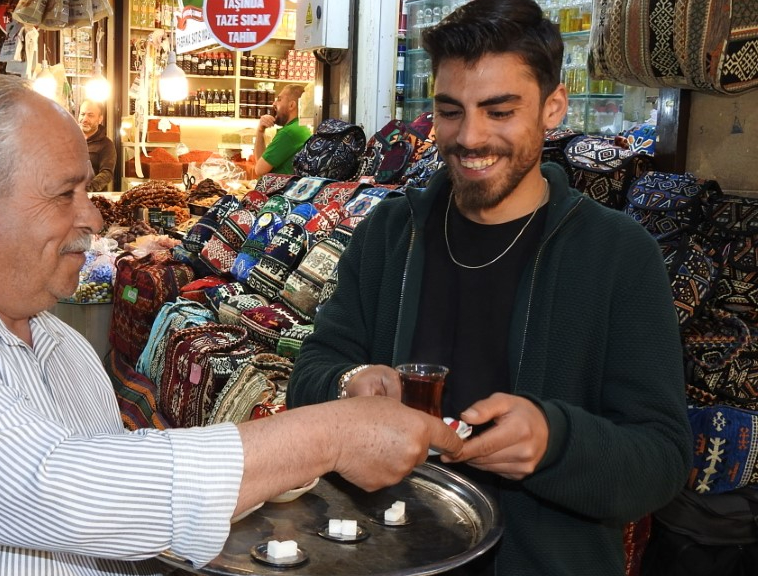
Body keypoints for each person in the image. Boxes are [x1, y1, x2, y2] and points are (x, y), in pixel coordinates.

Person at [0, 77, 465, 575]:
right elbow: (66, 492)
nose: (92, 218)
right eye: (66, 193)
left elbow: (120, 519)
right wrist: (327, 435)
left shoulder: (58, 344)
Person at [287, 1, 692, 575]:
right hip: (379, 557)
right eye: (450, 111)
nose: (470, 137)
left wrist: (554, 442)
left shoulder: (618, 255)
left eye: (499, 111)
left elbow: (661, 460)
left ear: (553, 108)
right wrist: (349, 383)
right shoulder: (390, 232)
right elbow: (311, 375)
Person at [253, 84, 310, 177]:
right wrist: (260, 131)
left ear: (291, 105)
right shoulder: (301, 127)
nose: (274, 104)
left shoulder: (289, 133)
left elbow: (259, 170)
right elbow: (261, 162)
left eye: (279, 99)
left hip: (281, 186)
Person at [77, 100, 115, 192]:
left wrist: (88, 189)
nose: (85, 119)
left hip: (92, 197)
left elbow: (106, 173)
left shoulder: (106, 145)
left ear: (100, 119)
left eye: (90, 115)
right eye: (82, 114)